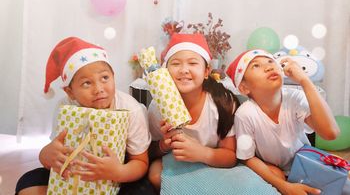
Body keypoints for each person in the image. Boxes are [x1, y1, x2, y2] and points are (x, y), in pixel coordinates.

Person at [16, 37, 153, 195]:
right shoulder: (65, 108)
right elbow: (55, 153)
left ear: (113, 77)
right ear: (70, 92)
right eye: (87, 83)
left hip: (121, 172)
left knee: (144, 191)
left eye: (105, 78)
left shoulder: (131, 109)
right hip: (77, 174)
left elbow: (141, 162)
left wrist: (118, 172)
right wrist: (45, 155)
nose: (99, 89)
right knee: (27, 183)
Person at [226, 49, 340, 195]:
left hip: (305, 163)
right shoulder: (244, 114)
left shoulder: (295, 98)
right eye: (256, 66)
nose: (269, 67)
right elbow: (247, 158)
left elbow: (330, 133)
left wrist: (305, 81)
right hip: (272, 168)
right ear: (244, 87)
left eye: (270, 61)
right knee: (277, 174)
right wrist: (284, 186)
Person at [147, 33, 240, 191]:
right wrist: (164, 144)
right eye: (176, 64)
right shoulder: (157, 106)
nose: (184, 70)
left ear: (206, 72)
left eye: (193, 63)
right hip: (176, 161)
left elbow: (230, 157)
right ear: (165, 72)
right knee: (155, 175)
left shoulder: (222, 103)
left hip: (213, 160)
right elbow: (150, 153)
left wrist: (202, 153)